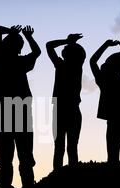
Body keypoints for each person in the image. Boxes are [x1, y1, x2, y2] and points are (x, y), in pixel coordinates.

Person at [0, 25, 41, 188]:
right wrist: (28, 36)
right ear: (19, 48)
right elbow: (37, 52)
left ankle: (6, 185)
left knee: (8, 152)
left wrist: (12, 32)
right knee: (23, 151)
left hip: (7, 108)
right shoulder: (18, 61)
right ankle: (25, 184)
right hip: (19, 108)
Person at [46, 33, 86, 169]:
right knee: (71, 147)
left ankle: (60, 175)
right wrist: (71, 42)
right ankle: (69, 175)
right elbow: (49, 46)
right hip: (71, 109)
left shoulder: (62, 66)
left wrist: (68, 41)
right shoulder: (76, 66)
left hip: (62, 109)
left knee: (60, 148)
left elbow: (49, 45)